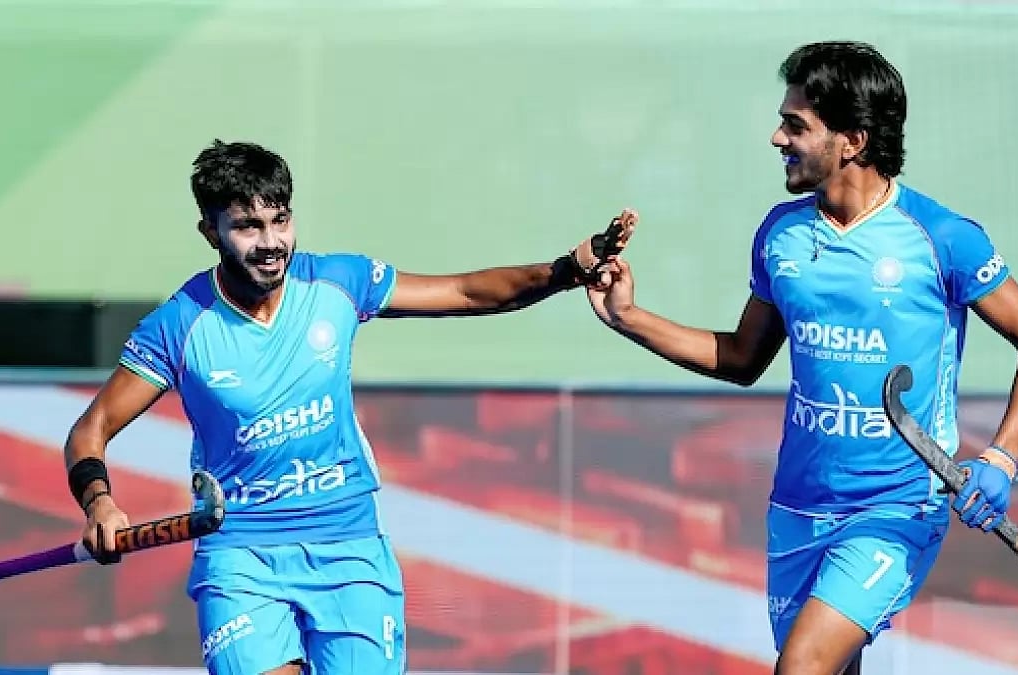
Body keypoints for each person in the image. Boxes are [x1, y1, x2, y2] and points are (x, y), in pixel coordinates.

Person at [62, 139, 636, 675]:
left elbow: (466, 292)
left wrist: (567, 269)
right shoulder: (179, 324)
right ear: (209, 231)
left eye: (280, 219)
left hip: (351, 549)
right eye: (247, 226)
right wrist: (100, 503)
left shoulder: (338, 282)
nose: (271, 242)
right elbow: (92, 429)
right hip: (241, 558)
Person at [587, 41, 1018, 675]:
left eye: (795, 124)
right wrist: (628, 318)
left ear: (853, 140)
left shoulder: (942, 238)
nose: (776, 137)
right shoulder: (781, 233)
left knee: (803, 667)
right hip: (798, 505)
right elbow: (740, 358)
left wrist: (1001, 459)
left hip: (895, 508)